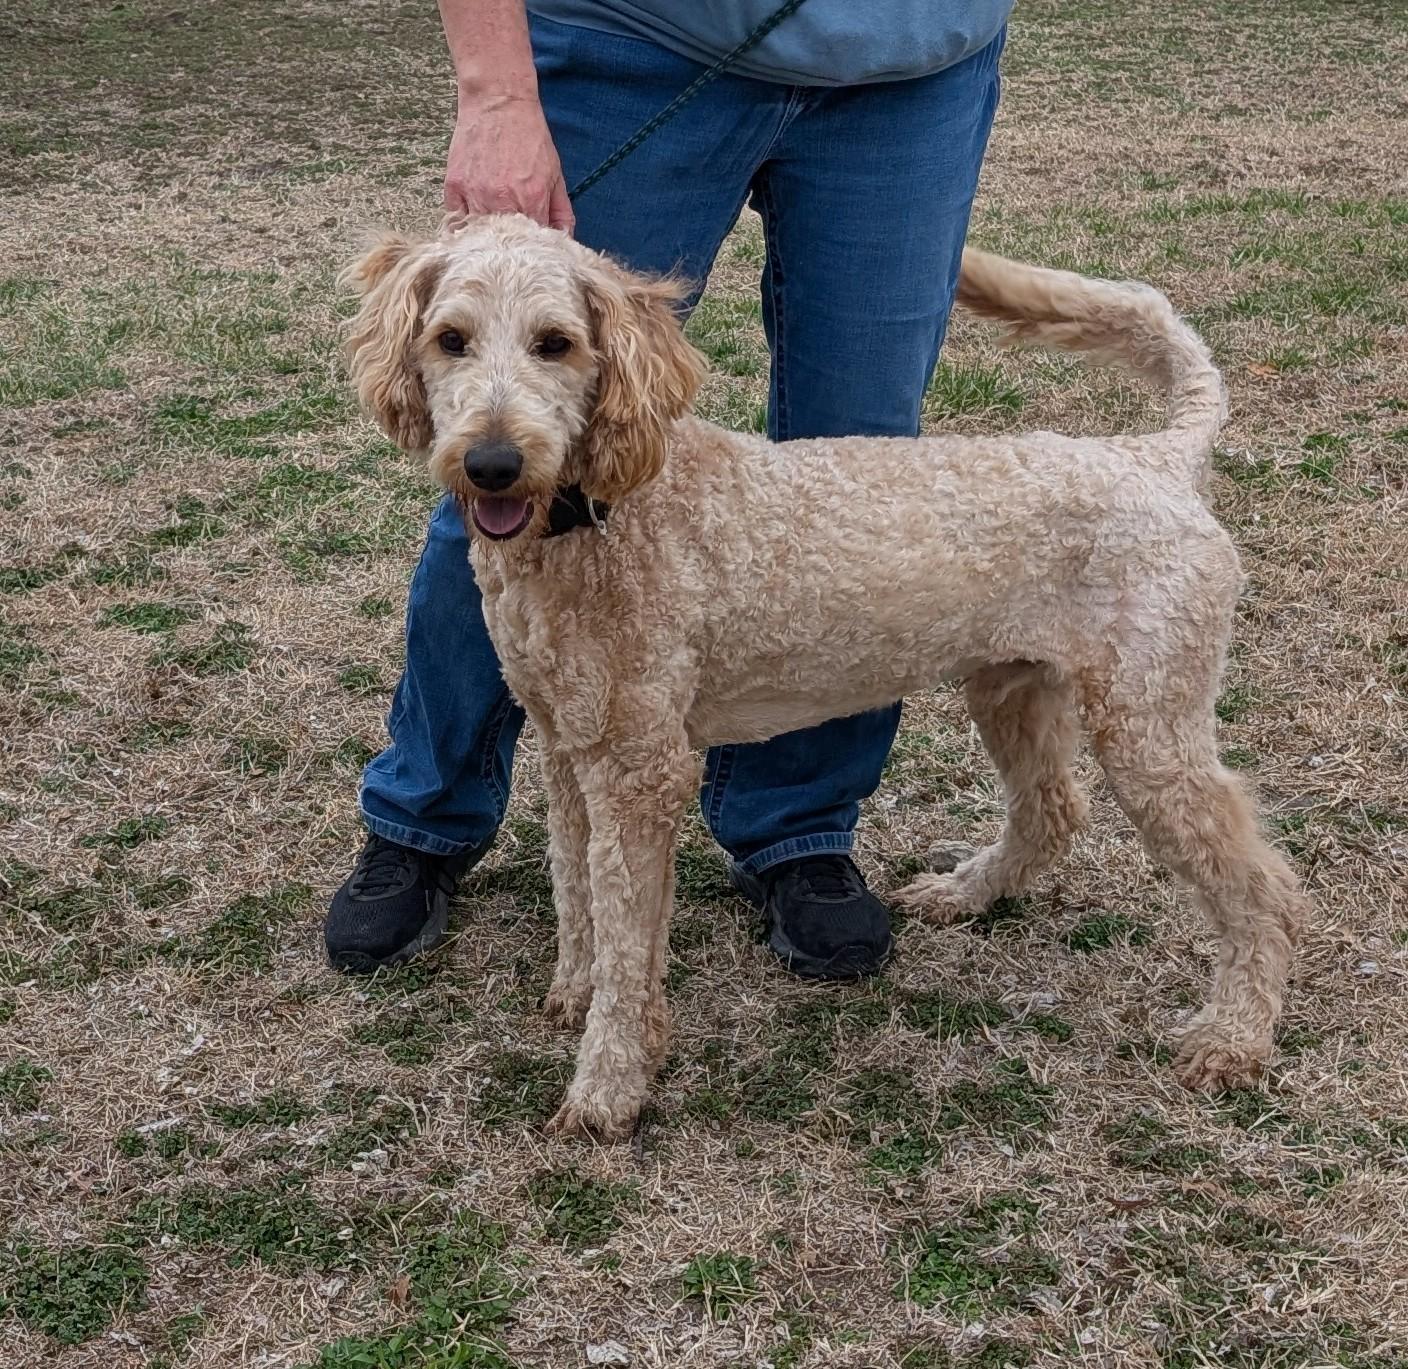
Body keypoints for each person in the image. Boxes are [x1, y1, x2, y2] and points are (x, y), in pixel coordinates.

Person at [324, 0, 1012, 980]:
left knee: (862, 475)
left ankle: (797, 829)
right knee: (508, 456)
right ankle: (424, 817)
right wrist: (496, 92)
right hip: (634, 39)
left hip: (910, 63)